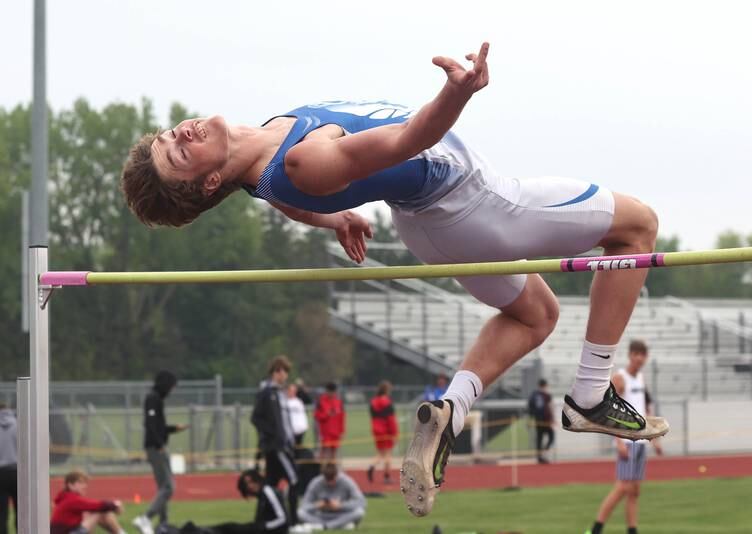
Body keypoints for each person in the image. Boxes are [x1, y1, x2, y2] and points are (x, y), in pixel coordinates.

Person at [120, 41, 668, 516]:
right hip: (477, 204)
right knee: (638, 226)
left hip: (429, 223)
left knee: (537, 314)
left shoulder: (262, 158)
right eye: (181, 154)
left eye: (172, 135)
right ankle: (591, 394)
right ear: (210, 178)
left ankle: (450, 411)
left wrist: (333, 216)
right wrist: (461, 91)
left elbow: (278, 196)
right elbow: (404, 140)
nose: (182, 134)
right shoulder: (300, 162)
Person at [585, 340, 664, 534]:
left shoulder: (641, 378)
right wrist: (618, 441)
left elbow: (644, 409)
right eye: (636, 353)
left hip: (641, 441)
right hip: (627, 442)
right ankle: (595, 529)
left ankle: (632, 530)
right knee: (622, 487)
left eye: (643, 354)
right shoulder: (620, 378)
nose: (639, 358)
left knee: (635, 490)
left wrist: (655, 438)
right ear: (630, 355)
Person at [133, 371, 188, 534]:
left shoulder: (157, 400)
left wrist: (174, 428)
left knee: (163, 487)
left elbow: (158, 425)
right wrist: (159, 444)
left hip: (157, 445)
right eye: (171, 386)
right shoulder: (152, 398)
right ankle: (145, 518)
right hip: (155, 447)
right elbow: (150, 424)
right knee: (169, 487)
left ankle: (163, 524)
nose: (172, 390)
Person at [251, 356, 299, 526]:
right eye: (282, 371)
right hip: (276, 446)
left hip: (283, 444)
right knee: (294, 479)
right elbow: (256, 418)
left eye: (286, 371)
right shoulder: (266, 393)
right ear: (275, 372)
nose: (284, 375)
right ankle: (293, 521)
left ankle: (259, 521)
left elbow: (284, 420)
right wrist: (273, 435)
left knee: (269, 484)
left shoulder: (281, 393)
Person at [50, 470, 126, 534]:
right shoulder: (72, 499)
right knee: (99, 512)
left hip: (69, 530)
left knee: (90, 512)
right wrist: (116, 504)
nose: (84, 486)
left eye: (85, 483)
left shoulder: (64, 497)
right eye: (80, 483)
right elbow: (99, 505)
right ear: (70, 485)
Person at [298, 463, 365, 531]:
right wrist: (317, 505)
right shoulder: (315, 483)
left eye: (332, 479)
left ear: (337, 474)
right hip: (321, 515)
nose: (330, 483)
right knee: (300, 513)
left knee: (359, 512)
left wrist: (341, 505)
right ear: (323, 475)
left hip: (341, 514)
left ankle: (323, 526)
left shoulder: (347, 481)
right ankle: (340, 526)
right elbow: (304, 505)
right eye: (327, 479)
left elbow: (361, 502)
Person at [367, 380, 399, 485]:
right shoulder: (386, 401)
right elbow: (390, 419)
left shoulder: (373, 401)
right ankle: (387, 476)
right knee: (388, 454)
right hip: (386, 430)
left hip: (376, 429)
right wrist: (395, 433)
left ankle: (371, 465)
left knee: (380, 453)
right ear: (387, 390)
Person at [313, 384, 345, 461]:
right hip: (325, 432)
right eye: (330, 392)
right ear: (327, 391)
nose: (332, 394)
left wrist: (342, 431)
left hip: (335, 432)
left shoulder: (339, 402)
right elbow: (316, 415)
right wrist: (326, 414)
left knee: (334, 452)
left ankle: (332, 470)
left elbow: (342, 417)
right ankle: (320, 469)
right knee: (323, 451)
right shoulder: (320, 401)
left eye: (334, 392)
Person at [527, 379, 555, 464]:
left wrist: (529, 420)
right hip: (546, 420)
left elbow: (530, 409)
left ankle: (540, 457)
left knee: (539, 438)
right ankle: (544, 453)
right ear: (545, 385)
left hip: (538, 420)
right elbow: (550, 407)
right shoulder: (546, 395)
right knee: (551, 437)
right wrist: (552, 419)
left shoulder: (533, 395)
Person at [0, 403, 17, 534]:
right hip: (18, 470)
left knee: (1, 511)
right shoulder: (18, 424)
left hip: (1, 473)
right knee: (22, 508)